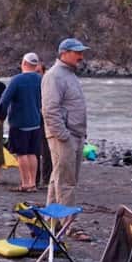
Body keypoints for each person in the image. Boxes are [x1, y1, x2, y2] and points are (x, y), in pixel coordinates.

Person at [42, 38, 90, 207]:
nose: (81, 56)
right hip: (64, 136)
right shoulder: (54, 76)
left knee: (59, 179)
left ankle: (52, 222)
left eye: (81, 52)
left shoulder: (69, 74)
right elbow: (50, 109)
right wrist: (63, 135)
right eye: (77, 52)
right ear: (64, 53)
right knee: (66, 182)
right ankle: (68, 224)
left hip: (74, 135)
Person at [0, 52, 42, 192]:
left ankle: (25, 183)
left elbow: (5, 100)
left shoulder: (17, 80)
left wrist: (1, 116)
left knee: (22, 154)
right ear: (36, 65)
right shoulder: (41, 79)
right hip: (36, 121)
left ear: (23, 63)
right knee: (33, 153)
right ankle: (33, 183)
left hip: (19, 122)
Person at [34, 62, 52, 188]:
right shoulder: (31, 84)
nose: (36, 74)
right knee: (33, 150)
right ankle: (34, 179)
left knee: (47, 151)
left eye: (38, 71)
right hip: (33, 119)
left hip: (46, 119)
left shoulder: (48, 84)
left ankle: (46, 180)